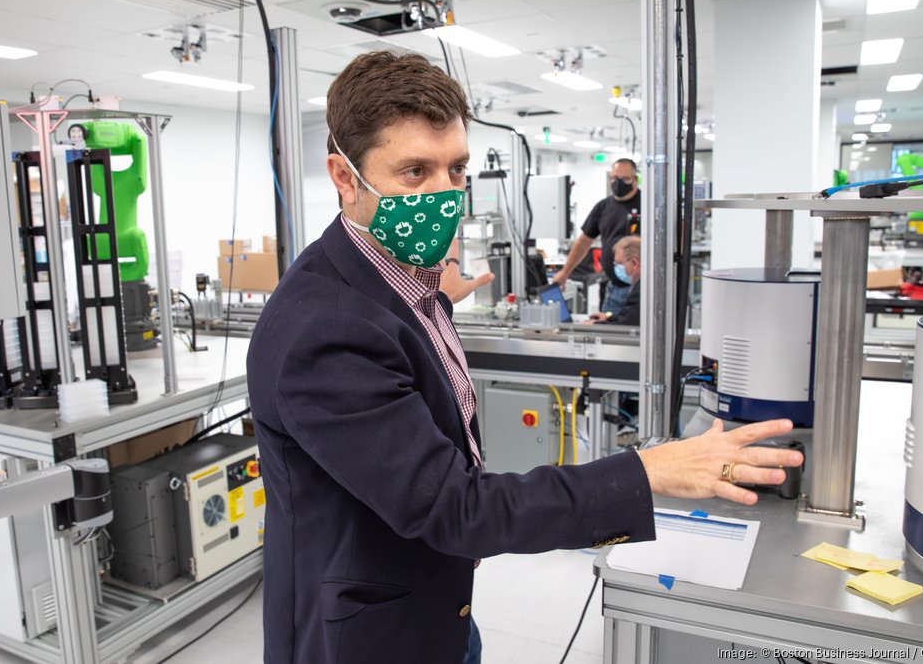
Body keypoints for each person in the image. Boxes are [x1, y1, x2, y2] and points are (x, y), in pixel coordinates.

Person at [246, 52, 801, 664]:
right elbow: (455, 507)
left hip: (438, 603)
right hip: (370, 636)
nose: (444, 194)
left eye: (456, 169)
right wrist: (648, 471)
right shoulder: (325, 331)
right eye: (414, 172)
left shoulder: (397, 282)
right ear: (345, 177)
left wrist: (431, 303)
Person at [551, 158, 641, 315]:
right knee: (607, 328)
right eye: (614, 178)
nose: (618, 183)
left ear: (635, 179)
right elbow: (583, 242)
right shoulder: (603, 207)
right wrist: (565, 272)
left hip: (641, 290)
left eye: (625, 179)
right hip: (613, 289)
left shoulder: (648, 204)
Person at [592, 234, 640, 326]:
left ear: (634, 263)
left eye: (619, 263)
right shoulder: (640, 286)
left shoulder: (640, 293)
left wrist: (595, 325)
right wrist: (609, 317)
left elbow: (626, 326)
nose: (617, 267)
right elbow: (628, 317)